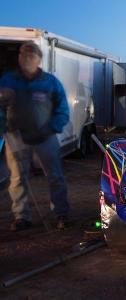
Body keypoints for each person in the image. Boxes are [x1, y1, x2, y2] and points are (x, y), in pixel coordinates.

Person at [0, 41, 70, 231]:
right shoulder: (7, 81)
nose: (27, 58)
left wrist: (52, 127)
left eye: (32, 55)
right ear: (19, 58)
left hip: (46, 137)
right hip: (16, 137)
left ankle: (61, 213)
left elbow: (62, 109)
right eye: (24, 55)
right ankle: (21, 216)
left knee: (55, 176)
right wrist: (3, 126)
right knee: (17, 179)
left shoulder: (50, 82)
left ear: (39, 59)